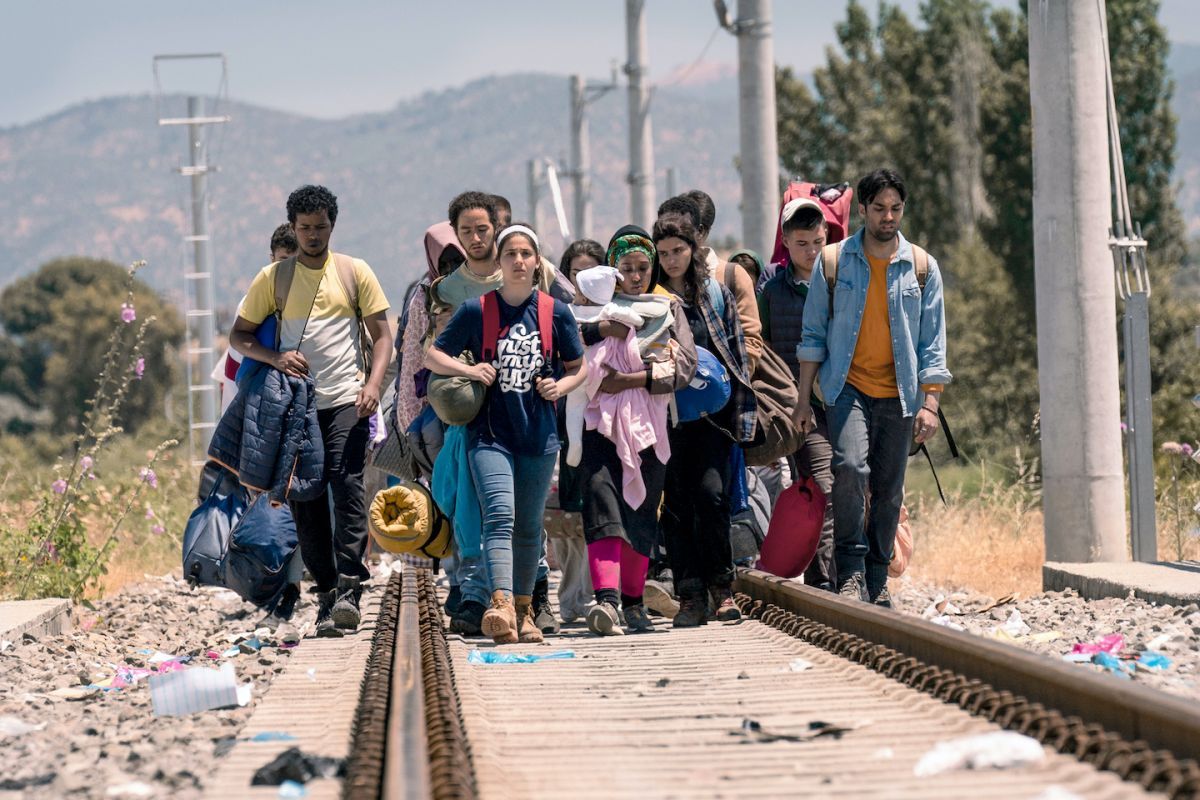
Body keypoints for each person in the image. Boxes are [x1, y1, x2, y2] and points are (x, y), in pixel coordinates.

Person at [231, 185, 393, 636]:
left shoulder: (353, 272)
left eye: (320, 227)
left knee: (347, 486)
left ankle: (349, 586)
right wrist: (276, 358)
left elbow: (383, 336)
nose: (313, 235)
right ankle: (324, 594)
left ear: (332, 226)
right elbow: (239, 337)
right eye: (305, 228)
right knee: (305, 499)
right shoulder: (274, 279)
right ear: (294, 228)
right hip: (295, 408)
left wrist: (374, 385)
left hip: (347, 399)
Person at [793, 169, 951, 606]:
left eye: (895, 208)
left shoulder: (921, 267)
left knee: (888, 488)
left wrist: (931, 404)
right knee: (849, 468)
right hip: (847, 388)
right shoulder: (833, 261)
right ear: (862, 209)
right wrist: (804, 401)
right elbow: (812, 337)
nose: (887, 217)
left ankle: (878, 576)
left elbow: (933, 342)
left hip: (900, 394)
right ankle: (851, 570)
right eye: (879, 208)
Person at [426, 223, 586, 644]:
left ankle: (523, 610)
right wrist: (469, 369)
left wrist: (562, 387)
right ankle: (499, 605)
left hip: (538, 435)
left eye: (526, 254)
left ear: (537, 262)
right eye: (510, 254)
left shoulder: (556, 312)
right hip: (490, 435)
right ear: (499, 263)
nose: (518, 261)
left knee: (530, 526)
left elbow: (578, 367)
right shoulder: (477, 311)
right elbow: (433, 353)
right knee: (499, 516)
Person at [575, 229, 697, 635]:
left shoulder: (667, 309)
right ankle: (607, 603)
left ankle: (633, 605)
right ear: (612, 269)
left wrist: (629, 381)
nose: (635, 276)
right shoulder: (593, 309)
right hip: (599, 425)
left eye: (643, 268)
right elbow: (567, 341)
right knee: (601, 503)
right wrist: (600, 332)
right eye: (625, 268)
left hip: (648, 427)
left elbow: (684, 367)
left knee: (642, 510)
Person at [652, 215, 757, 627]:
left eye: (679, 250)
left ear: (693, 250)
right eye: (664, 253)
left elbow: (736, 351)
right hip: (667, 419)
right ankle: (690, 595)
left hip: (713, 418)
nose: (672, 259)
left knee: (713, 498)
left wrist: (737, 410)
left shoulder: (714, 294)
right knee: (676, 504)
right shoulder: (649, 298)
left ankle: (722, 589)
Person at [758, 198, 835, 590]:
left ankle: (850, 575)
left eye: (817, 242)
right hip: (799, 408)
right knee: (822, 484)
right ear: (786, 241)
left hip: (844, 401)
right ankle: (825, 581)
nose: (811, 251)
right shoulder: (771, 291)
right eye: (802, 242)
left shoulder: (842, 281)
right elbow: (761, 349)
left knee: (852, 482)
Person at [547, 238, 607, 625]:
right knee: (565, 520)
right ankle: (570, 597)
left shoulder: (615, 315)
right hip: (564, 424)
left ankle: (593, 595)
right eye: (575, 274)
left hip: (603, 425)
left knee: (594, 514)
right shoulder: (556, 315)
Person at [393, 223, 465, 433]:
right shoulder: (425, 295)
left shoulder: (481, 286)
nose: (452, 270)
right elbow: (415, 358)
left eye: (458, 261)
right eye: (444, 264)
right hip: (433, 400)